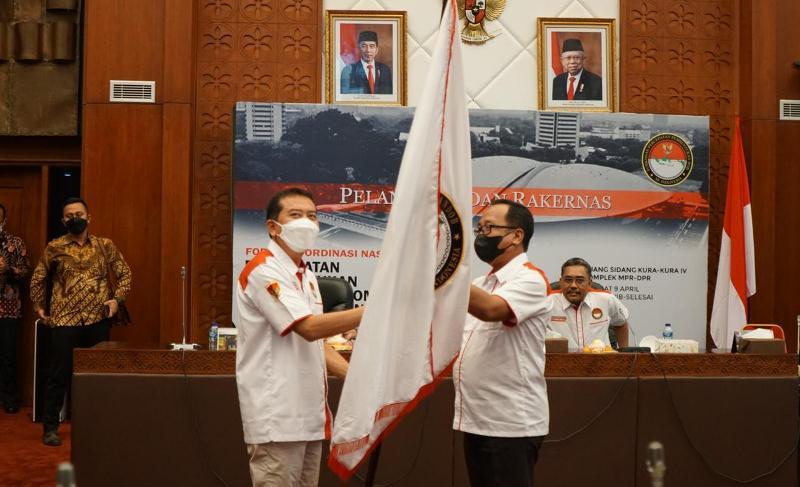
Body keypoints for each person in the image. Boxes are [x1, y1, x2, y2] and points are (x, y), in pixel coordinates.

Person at [235, 187, 362, 487]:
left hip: (309, 417)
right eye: (295, 215)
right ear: (273, 227)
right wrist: (372, 310)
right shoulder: (263, 270)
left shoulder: (307, 276)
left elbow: (316, 344)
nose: (306, 222)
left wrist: (355, 378)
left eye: (312, 216)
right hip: (277, 417)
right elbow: (308, 328)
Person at [453, 199, 552, 487]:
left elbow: (491, 310)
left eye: (489, 228)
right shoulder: (480, 284)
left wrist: (447, 268)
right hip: (477, 419)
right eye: (479, 228)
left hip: (510, 424)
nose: (481, 235)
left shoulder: (531, 279)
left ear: (516, 235)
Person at [30, 197, 132, 446]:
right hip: (64, 321)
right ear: (62, 220)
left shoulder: (105, 245)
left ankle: (95, 427)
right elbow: (38, 278)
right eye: (69, 215)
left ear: (89, 217)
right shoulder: (54, 247)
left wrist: (117, 299)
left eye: (79, 214)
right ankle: (50, 428)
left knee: (96, 376)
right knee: (58, 375)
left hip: (98, 320)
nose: (74, 218)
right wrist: (39, 307)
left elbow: (125, 273)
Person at [546, 257, 629, 350]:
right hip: (560, 359)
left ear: (589, 283)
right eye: (568, 280)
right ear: (561, 282)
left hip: (600, 358)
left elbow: (621, 323)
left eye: (580, 280)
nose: (573, 285)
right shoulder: (546, 302)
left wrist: (624, 354)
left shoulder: (606, 299)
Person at [0, 204, 30, 414]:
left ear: (4, 219)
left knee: (8, 355)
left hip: (8, 307)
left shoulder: (16, 243)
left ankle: (9, 398)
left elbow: (27, 270)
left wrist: (8, 269)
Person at [340, 30, 392, 95]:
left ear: (376, 50)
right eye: (364, 46)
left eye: (371, 46)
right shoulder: (348, 70)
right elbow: (345, 97)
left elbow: (389, 95)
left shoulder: (385, 70)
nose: (368, 50)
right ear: (359, 49)